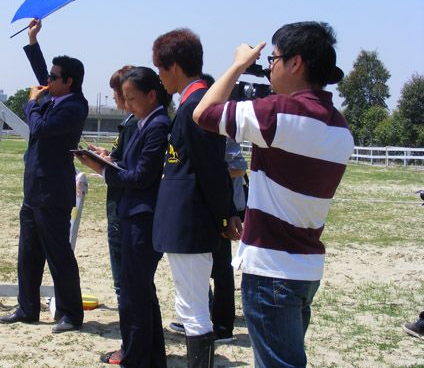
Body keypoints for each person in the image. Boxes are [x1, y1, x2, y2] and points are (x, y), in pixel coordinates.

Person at [193, 21, 355, 367]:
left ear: (296, 63)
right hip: (306, 267)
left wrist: (237, 65)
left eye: (274, 59)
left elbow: (203, 113)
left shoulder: (279, 113)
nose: (269, 67)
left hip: (271, 270)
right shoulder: (340, 128)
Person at [152, 29, 239, 368]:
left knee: (193, 309)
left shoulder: (196, 105)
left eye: (159, 68)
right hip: (185, 221)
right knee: (191, 306)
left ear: (174, 66)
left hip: (191, 222)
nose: (159, 77)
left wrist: (224, 215)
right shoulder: (192, 102)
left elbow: (212, 169)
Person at [77, 67, 171, 367]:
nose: (127, 104)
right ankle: (150, 355)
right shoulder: (145, 122)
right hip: (135, 214)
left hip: (142, 217)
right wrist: (108, 163)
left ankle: (137, 356)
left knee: (134, 293)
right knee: (140, 291)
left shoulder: (157, 124)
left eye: (131, 98)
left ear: (151, 95)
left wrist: (103, 169)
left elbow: (142, 177)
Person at [0, 19, 88, 334]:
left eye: (53, 77)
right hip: (34, 189)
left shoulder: (74, 106)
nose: (46, 81)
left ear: (69, 82)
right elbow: (41, 74)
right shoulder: (55, 95)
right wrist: (32, 40)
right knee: (29, 252)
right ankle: (27, 308)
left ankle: (70, 314)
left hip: (53, 193)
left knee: (58, 255)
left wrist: (31, 104)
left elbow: (39, 128)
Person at [169, 74, 247, 344]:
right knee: (204, 271)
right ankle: (209, 317)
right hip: (212, 205)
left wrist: (226, 209)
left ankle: (223, 325)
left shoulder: (220, 128)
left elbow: (238, 168)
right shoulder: (193, 115)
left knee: (221, 270)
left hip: (223, 207)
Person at [88, 66, 138, 306]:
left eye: (116, 91)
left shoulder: (133, 123)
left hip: (122, 204)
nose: (116, 97)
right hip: (122, 202)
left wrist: (107, 164)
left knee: (124, 274)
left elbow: (131, 167)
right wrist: (107, 155)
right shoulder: (133, 121)